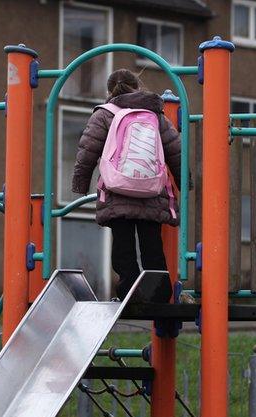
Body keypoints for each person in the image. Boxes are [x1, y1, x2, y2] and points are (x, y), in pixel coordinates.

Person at [71, 69, 182, 302]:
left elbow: (87, 151)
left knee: (123, 245)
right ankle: (160, 293)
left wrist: (80, 184)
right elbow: (175, 150)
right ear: (138, 86)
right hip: (151, 192)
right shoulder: (155, 114)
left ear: (110, 91)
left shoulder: (104, 114)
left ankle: (128, 293)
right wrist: (184, 181)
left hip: (117, 190)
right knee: (152, 244)